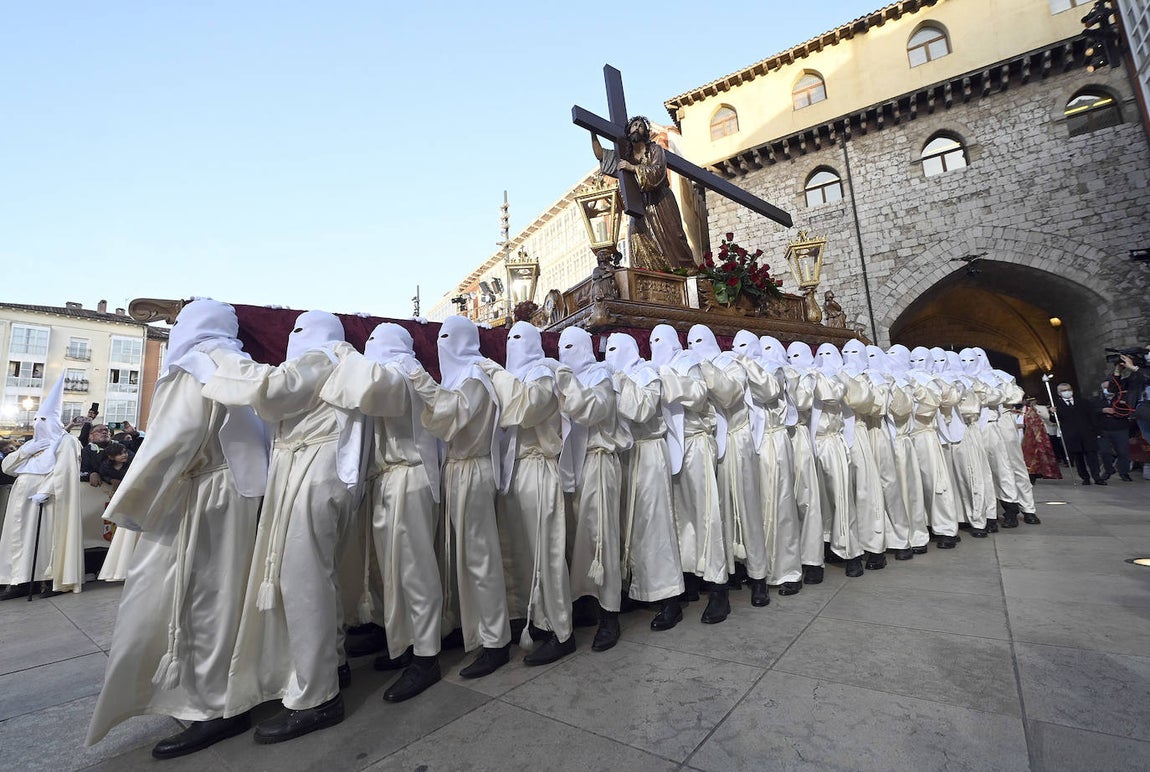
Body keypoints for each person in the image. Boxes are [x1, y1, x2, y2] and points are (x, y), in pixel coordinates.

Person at [86, 299, 269, 758]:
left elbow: (172, 440)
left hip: (198, 495)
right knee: (229, 596)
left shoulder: (192, 368)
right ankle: (232, 689)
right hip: (240, 494)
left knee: (196, 600)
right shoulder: (242, 364)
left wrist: (132, 505)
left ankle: (212, 706)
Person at [204, 309, 362, 743]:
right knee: (319, 579)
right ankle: (333, 665)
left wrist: (222, 356)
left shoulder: (321, 357)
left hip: (313, 469)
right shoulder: (334, 359)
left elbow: (274, 388)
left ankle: (317, 697)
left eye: (298, 330)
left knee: (303, 584)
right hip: (309, 467)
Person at [319, 322, 446, 700]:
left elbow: (374, 390)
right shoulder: (391, 370)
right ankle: (402, 642)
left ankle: (427, 656)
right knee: (391, 572)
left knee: (416, 572)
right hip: (388, 480)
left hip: (409, 477)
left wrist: (342, 354)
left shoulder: (406, 372)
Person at [405, 316, 513, 679]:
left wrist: (420, 380)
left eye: (448, 337)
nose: (442, 343)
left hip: (473, 469)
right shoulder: (456, 378)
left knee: (481, 557)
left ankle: (496, 641)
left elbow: (452, 416)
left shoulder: (474, 377)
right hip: (456, 469)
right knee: (461, 557)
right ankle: (473, 629)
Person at [480, 321, 576, 662]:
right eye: (509, 338)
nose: (512, 343)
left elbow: (526, 407)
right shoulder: (513, 375)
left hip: (537, 467)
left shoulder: (543, 373)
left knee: (546, 552)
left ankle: (561, 630)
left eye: (519, 338)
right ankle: (535, 618)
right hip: (513, 471)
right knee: (521, 552)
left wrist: (495, 372)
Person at [603, 332, 686, 629]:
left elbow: (640, 410)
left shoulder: (647, 373)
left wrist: (619, 379)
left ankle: (670, 597)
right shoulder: (615, 376)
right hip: (625, 455)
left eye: (615, 350)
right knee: (630, 526)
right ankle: (637, 588)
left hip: (649, 452)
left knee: (654, 525)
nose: (610, 356)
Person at [650, 324, 729, 622]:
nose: (656, 345)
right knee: (678, 519)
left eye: (661, 340)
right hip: (668, 447)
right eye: (652, 341)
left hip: (695, 444)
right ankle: (689, 578)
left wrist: (666, 376)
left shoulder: (686, 362)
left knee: (706, 515)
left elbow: (697, 395)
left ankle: (718, 588)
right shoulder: (652, 368)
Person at [555, 327, 627, 650]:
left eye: (570, 347)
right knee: (578, 537)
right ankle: (585, 601)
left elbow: (592, 409)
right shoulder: (570, 377)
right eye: (561, 348)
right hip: (575, 465)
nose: (564, 353)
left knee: (602, 538)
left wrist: (566, 381)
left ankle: (610, 613)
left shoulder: (600, 375)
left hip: (598, 461)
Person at [688, 325, 770, 605]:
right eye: (690, 342)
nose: (694, 346)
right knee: (719, 512)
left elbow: (729, 394)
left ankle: (759, 576)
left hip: (737, 440)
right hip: (709, 446)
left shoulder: (729, 362)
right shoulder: (692, 365)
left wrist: (704, 366)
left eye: (699, 341)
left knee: (747, 508)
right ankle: (732, 569)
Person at [0, 376, 84, 600]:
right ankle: (19, 580)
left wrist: (45, 490)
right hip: (20, 498)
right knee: (19, 539)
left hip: (47, 500)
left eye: (44, 419)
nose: (39, 422)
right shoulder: (31, 444)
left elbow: (65, 470)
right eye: (37, 418)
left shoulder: (66, 441)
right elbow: (7, 467)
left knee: (44, 539)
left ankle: (44, 579)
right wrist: (25, 452)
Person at [735, 332, 803, 595]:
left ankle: (788, 570)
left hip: (773, 441)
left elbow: (768, 392)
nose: (739, 350)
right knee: (755, 508)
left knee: (781, 505)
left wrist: (746, 362)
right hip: (749, 442)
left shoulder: (773, 369)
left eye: (744, 346)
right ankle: (758, 568)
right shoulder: (737, 369)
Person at [591, 116, 696, 271]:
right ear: (629, 132)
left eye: (640, 126)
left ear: (645, 132)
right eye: (634, 125)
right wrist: (593, 130)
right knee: (636, 239)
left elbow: (658, 172)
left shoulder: (655, 149)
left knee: (674, 238)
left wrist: (633, 168)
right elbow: (601, 155)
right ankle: (647, 278)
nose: (637, 128)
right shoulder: (625, 156)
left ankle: (686, 272)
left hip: (661, 201)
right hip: (640, 206)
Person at [1052, 382, 1104, 486]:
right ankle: (1085, 477)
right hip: (1072, 436)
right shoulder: (1057, 405)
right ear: (1059, 393)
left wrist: (1097, 431)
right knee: (1078, 459)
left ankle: (1097, 477)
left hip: (1087, 434)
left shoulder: (1083, 402)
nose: (1067, 392)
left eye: (1068, 389)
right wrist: (1052, 413)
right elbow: (1054, 420)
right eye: (1063, 390)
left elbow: (1092, 417)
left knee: (1092, 457)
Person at [1095, 378, 1134, 481]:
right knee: (1104, 452)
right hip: (1103, 429)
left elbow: (1129, 410)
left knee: (1123, 452)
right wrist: (1102, 410)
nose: (1108, 389)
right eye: (1105, 388)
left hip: (1120, 428)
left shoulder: (1123, 398)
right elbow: (1091, 411)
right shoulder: (1096, 400)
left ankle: (1124, 472)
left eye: (1110, 387)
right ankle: (1108, 470)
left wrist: (1118, 411)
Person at [1021, 398, 1062, 481]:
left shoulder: (1036, 409)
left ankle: (1037, 473)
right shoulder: (1018, 410)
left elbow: (1044, 418)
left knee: (1038, 453)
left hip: (1036, 434)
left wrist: (1037, 412)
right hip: (1022, 435)